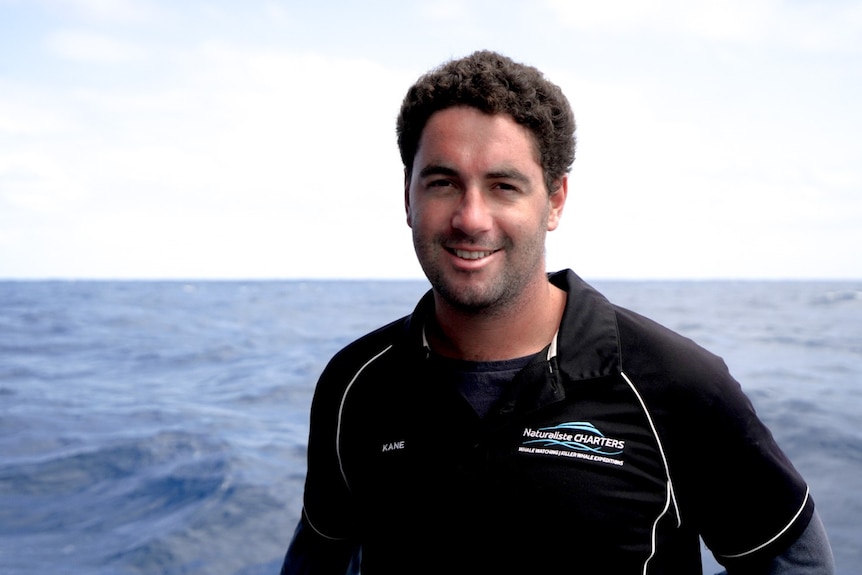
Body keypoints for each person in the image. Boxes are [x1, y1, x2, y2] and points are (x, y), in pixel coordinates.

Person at [280, 50, 834, 574]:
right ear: (408, 197)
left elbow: (789, 556)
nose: (471, 218)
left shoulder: (675, 384)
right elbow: (320, 556)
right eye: (444, 183)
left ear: (555, 200)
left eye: (504, 186)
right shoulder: (353, 385)